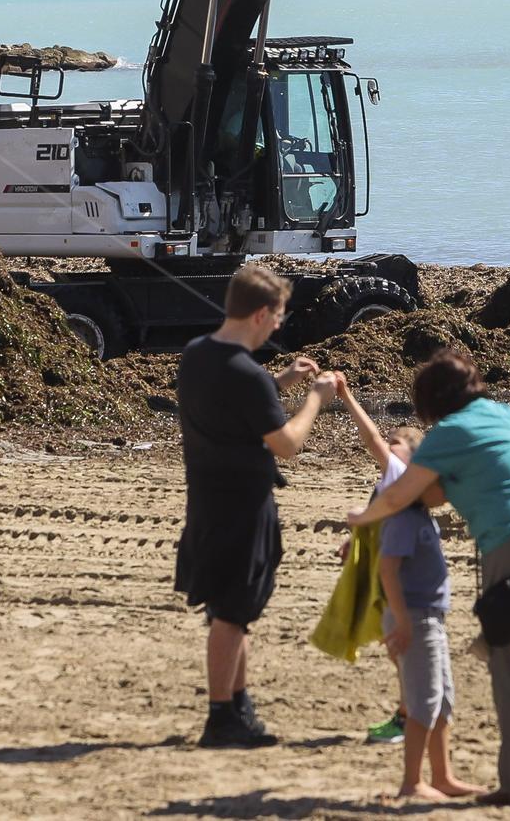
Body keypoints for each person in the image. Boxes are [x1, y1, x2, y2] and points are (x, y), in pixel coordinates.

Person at [346, 346, 510, 808]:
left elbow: (402, 496)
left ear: (431, 403)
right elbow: (444, 493)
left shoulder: (448, 433)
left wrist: (363, 518)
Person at [174, 263, 339, 749]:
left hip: (207, 498)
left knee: (234, 610)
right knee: (231, 613)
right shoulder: (245, 375)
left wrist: (279, 382)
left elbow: (234, 396)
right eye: (279, 316)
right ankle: (221, 717)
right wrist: (315, 399)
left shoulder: (197, 354)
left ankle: (238, 706)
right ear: (262, 314)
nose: (280, 324)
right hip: (242, 504)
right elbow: (286, 443)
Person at [335, 378, 478, 800]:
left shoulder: (404, 496)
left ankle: (442, 776)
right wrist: (346, 397)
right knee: (423, 700)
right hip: (412, 613)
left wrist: (359, 535)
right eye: (393, 441)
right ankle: (412, 782)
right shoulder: (398, 484)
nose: (391, 445)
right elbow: (372, 438)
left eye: (402, 441)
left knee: (441, 701)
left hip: (428, 613)